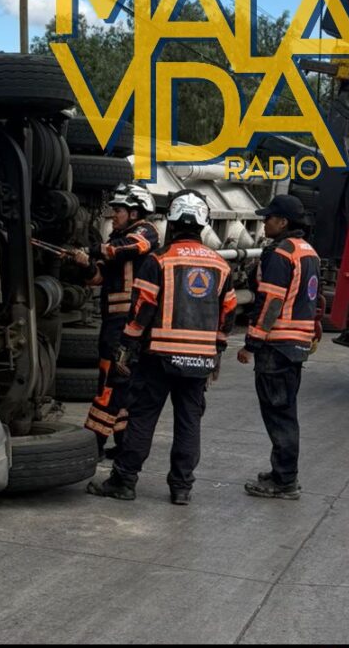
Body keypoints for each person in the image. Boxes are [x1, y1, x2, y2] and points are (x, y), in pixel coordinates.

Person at [89, 190, 237, 506]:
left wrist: (126, 347)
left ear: (172, 222)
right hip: (199, 360)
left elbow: (141, 309)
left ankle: (124, 481)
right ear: (203, 224)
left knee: (143, 418)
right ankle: (181, 488)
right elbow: (228, 316)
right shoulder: (221, 266)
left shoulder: (160, 261)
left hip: (157, 357)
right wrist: (217, 353)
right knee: (188, 422)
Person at [237, 194, 322, 500]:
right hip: (295, 344)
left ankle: (285, 480)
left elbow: (271, 302)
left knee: (279, 413)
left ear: (283, 222)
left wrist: (251, 342)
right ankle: (281, 472)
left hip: (277, 345)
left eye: (268, 218)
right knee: (283, 409)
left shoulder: (281, 253)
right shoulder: (307, 251)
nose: (263, 222)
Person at [73, 184, 160, 464]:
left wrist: (96, 249)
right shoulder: (117, 241)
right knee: (120, 386)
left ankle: (92, 443)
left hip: (127, 324)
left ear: (135, 212)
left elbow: (134, 247)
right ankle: (123, 443)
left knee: (109, 384)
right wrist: (85, 263)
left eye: (119, 210)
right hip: (113, 323)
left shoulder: (145, 231)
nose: (113, 214)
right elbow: (97, 279)